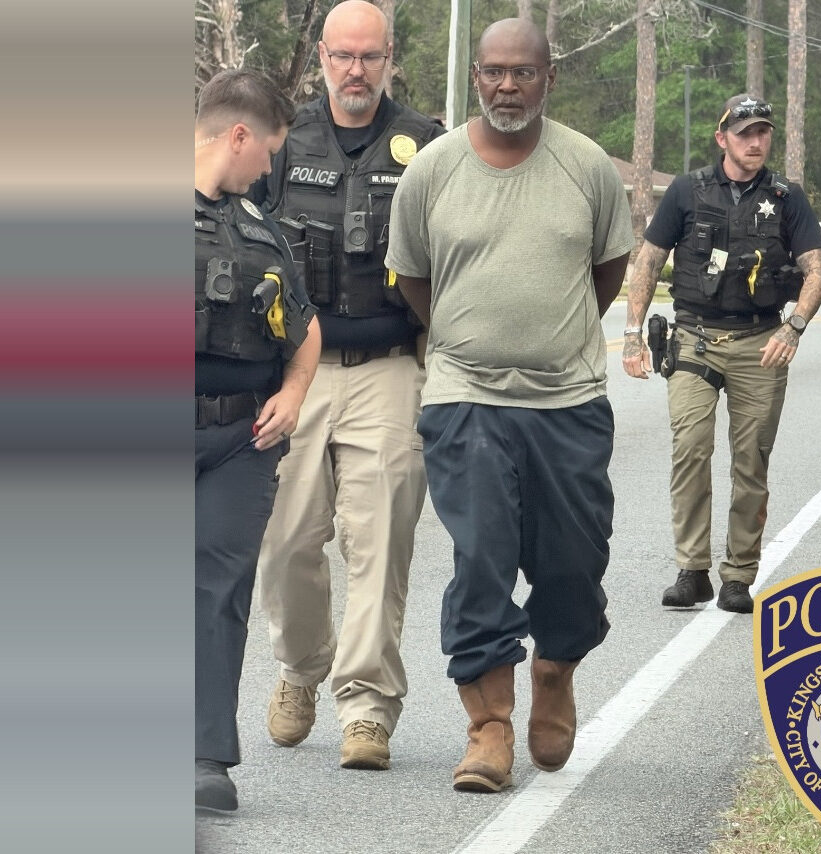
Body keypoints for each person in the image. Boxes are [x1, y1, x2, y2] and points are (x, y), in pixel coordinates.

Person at [385, 18, 633, 793]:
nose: (507, 86)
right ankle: (488, 727)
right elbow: (414, 279)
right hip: (466, 397)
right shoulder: (432, 170)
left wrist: (550, 339)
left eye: (523, 73)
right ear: (476, 77)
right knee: (482, 557)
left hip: (569, 400)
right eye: (493, 72)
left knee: (572, 561)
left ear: (548, 79)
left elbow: (608, 269)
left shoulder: (587, 166)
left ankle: (554, 669)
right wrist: (469, 342)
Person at [247, 0, 446, 771]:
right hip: (296, 371)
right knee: (288, 540)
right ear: (322, 58)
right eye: (342, 56)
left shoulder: (429, 144)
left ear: (390, 56)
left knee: (381, 539)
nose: (355, 71)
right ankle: (301, 666)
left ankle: (367, 706)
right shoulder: (283, 140)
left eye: (369, 56)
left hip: (391, 367)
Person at [621, 93, 821, 614]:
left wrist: (794, 328)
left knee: (751, 459)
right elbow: (647, 261)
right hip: (693, 337)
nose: (755, 142)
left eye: (763, 132)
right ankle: (692, 571)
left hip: (760, 342)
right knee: (690, 449)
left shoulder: (787, 198)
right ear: (722, 139)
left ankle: (738, 575)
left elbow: (817, 270)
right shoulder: (688, 192)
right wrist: (630, 333)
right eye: (745, 133)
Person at [195, 69, 320, 812]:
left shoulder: (261, 227)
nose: (269, 168)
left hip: (244, 437)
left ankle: (205, 756)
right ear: (238, 135)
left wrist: (295, 395)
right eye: (267, 152)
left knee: (218, 588)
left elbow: (305, 332)